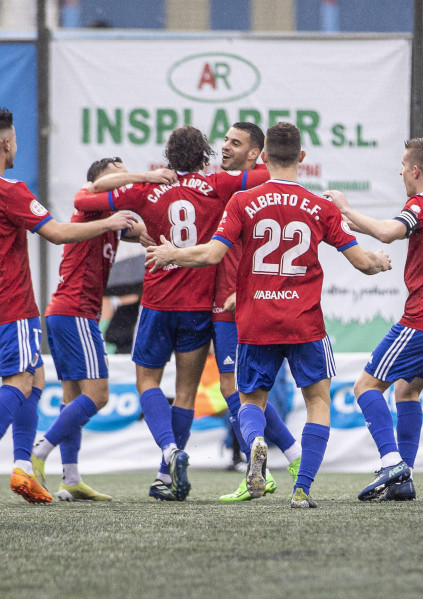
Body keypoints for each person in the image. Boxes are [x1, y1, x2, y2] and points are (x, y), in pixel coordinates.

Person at [146, 122, 391, 508]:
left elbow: (211, 254)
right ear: (302, 158)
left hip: (255, 320)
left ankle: (255, 442)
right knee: (318, 402)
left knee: (249, 401)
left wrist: (170, 254)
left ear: (262, 157)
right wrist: (379, 261)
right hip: (304, 321)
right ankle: (302, 488)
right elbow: (362, 262)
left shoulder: (242, 203)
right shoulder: (321, 207)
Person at [0, 108, 136, 507]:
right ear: (5, 144)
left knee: (35, 380)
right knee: (18, 383)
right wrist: (108, 223)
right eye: (15, 140)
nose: (16, 146)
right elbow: (57, 233)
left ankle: (22, 468)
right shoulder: (9, 189)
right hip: (11, 301)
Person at [75, 126, 268, 501]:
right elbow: (265, 175)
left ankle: (168, 453)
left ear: (168, 156)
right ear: (205, 154)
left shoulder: (145, 190)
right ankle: (167, 474)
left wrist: (142, 176)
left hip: (157, 303)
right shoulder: (218, 185)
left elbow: (85, 200)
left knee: (147, 383)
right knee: (185, 394)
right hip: (198, 308)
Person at [325, 137, 423, 502]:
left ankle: (391, 462)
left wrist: (344, 205)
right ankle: (402, 479)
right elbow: (384, 227)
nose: (400, 172)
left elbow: (388, 232)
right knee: (408, 389)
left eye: (403, 166)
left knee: (365, 387)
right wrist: (342, 219)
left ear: (416, 171)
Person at [29, 157, 173, 501]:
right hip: (75, 311)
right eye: (117, 173)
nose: (124, 179)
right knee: (99, 395)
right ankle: (38, 451)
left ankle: (71, 478)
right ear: (100, 180)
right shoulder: (91, 202)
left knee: (72, 398)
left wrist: (162, 244)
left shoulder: (108, 219)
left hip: (65, 312)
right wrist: (147, 176)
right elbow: (84, 197)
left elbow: (142, 235)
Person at [209, 122, 304, 503]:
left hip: (234, 303)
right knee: (238, 390)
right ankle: (290, 458)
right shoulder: (238, 185)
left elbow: (275, 169)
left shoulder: (254, 183)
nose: (226, 147)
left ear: (257, 154)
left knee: (239, 391)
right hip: (223, 300)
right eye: (226, 140)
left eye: (236, 143)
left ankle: (265, 464)